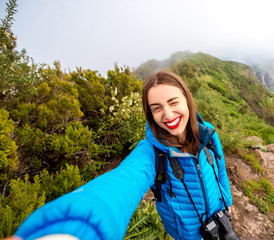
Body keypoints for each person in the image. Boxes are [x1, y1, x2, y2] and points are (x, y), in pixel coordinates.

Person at [12, 71, 234, 240]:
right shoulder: (151, 153)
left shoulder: (208, 133)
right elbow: (121, 183)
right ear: (150, 114)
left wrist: (227, 202)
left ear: (187, 100)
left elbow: (220, 169)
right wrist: (77, 226)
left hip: (222, 220)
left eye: (173, 102)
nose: (167, 114)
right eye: (156, 108)